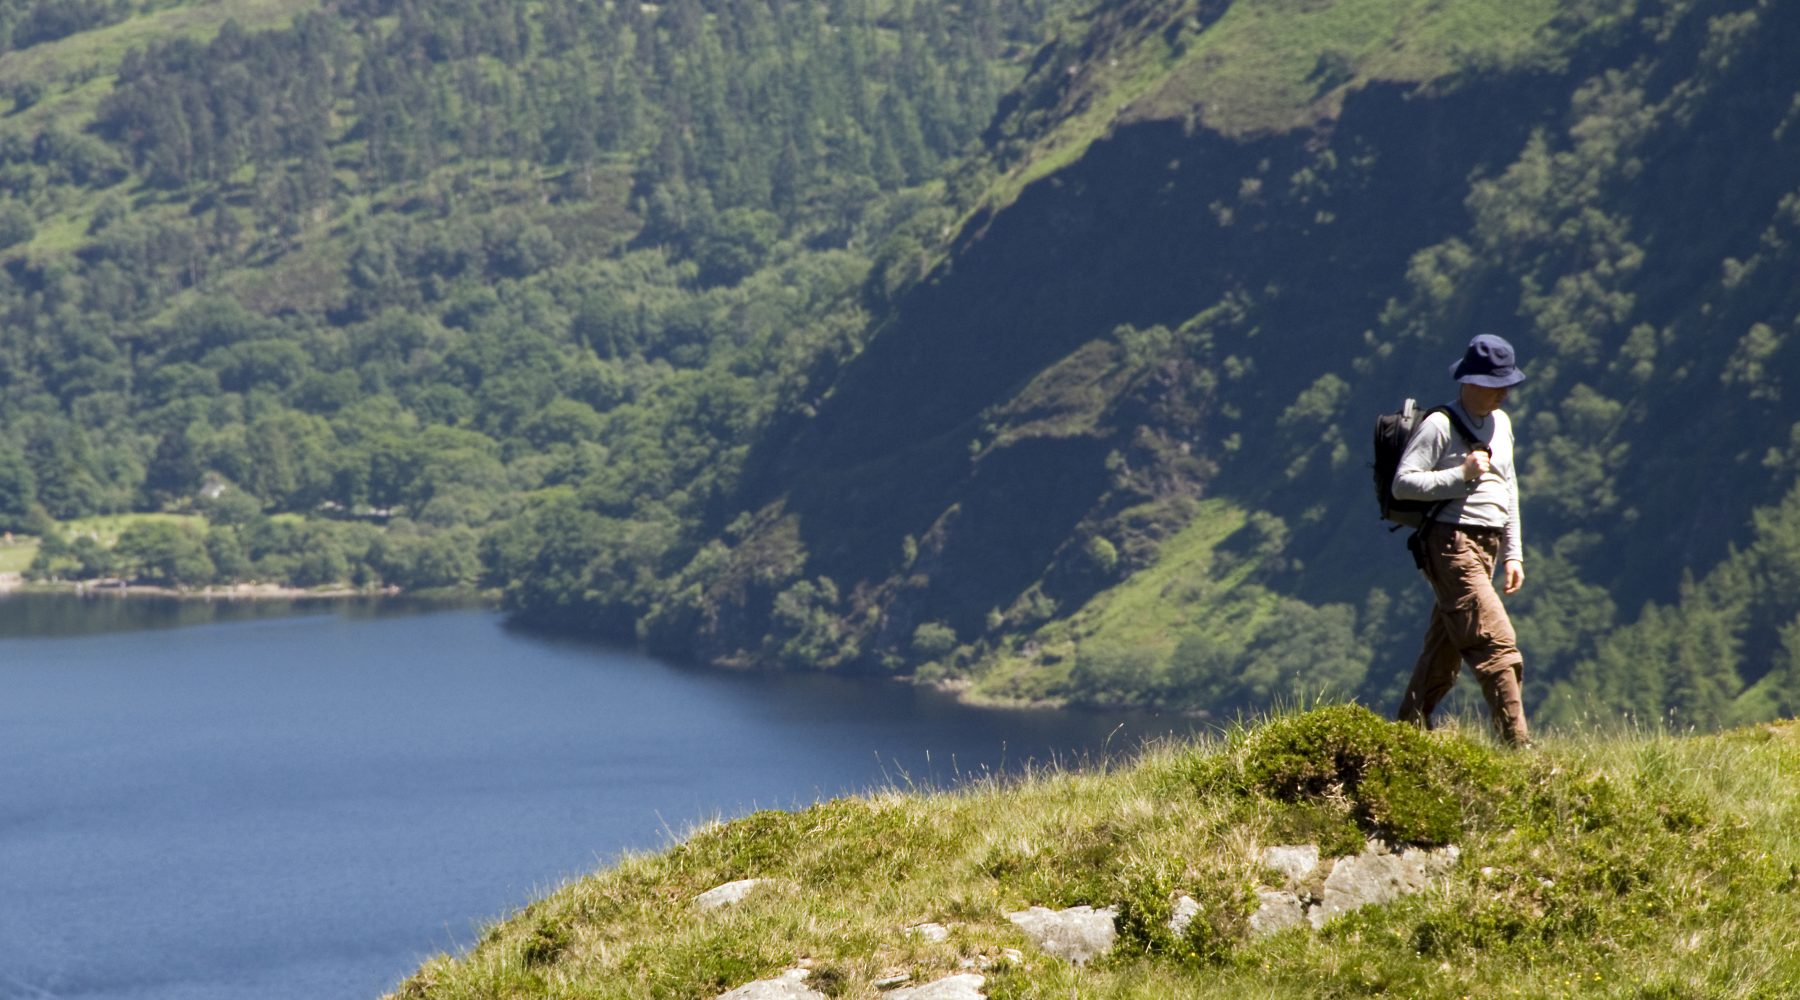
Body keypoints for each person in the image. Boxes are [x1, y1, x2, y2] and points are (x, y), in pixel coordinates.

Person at [1391, 333, 1530, 746]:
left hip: (1487, 547)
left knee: (1445, 652)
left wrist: (1513, 553)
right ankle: (1518, 746)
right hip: (1451, 543)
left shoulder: (1502, 425)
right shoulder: (1439, 425)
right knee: (1497, 643)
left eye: (1507, 384)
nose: (1503, 393)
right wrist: (1461, 474)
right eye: (1494, 384)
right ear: (1469, 381)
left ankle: (1405, 733)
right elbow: (1403, 484)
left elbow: (1509, 488)